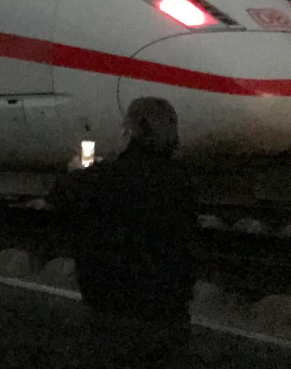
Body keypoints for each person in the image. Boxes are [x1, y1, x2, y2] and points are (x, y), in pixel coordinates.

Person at [48, 97, 198, 368]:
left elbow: (61, 198)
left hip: (116, 308)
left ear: (130, 130)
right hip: (171, 310)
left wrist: (77, 171)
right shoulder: (182, 179)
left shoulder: (108, 176)